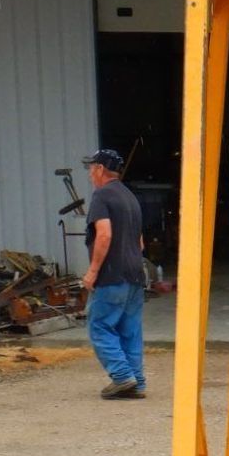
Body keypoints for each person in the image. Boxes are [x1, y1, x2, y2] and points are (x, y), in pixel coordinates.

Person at [81, 149, 148, 400]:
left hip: (111, 275)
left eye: (91, 169)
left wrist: (93, 271)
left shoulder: (102, 196)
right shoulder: (130, 197)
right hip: (135, 274)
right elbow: (140, 242)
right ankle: (137, 382)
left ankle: (121, 376)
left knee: (99, 326)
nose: (90, 174)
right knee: (130, 330)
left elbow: (104, 234)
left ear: (100, 169)